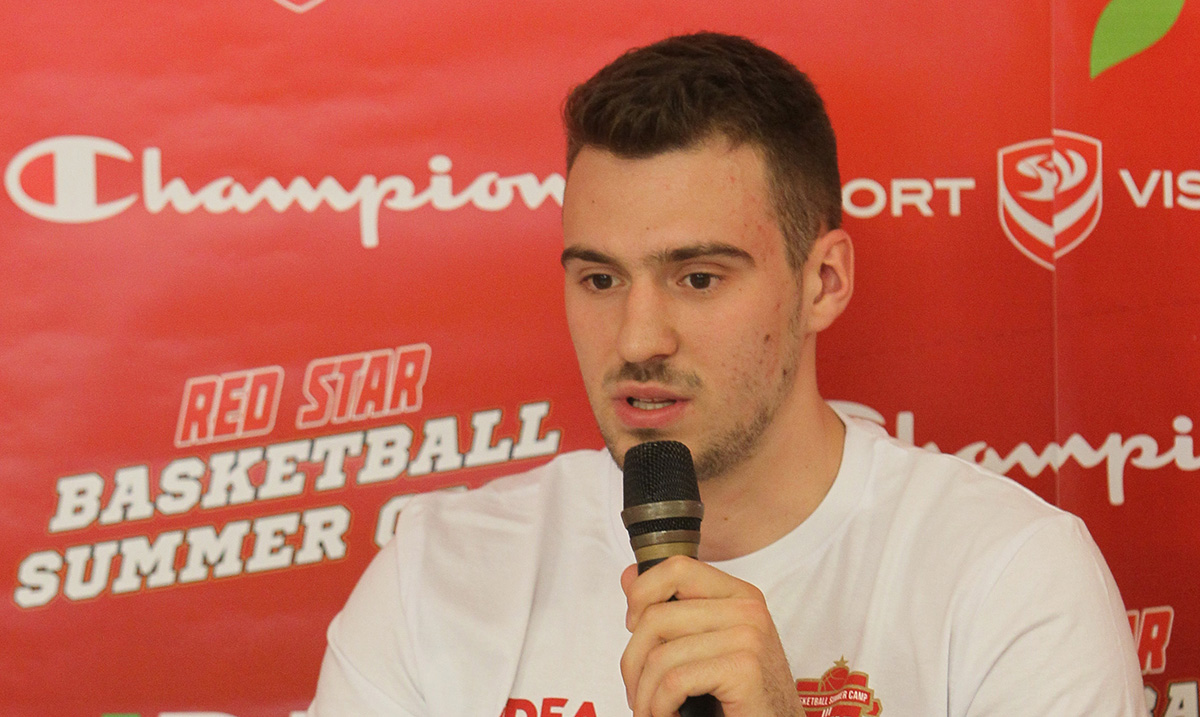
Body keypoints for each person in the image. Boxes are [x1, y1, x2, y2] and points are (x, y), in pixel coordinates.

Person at [308, 32, 1143, 716]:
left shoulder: (1010, 575)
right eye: (599, 278)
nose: (639, 337)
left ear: (823, 281)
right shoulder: (437, 573)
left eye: (698, 277)